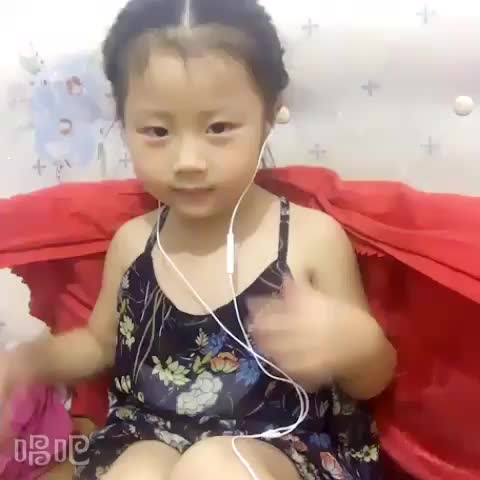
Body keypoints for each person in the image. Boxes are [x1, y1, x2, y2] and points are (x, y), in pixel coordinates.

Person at [0, 0, 397, 478]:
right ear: (123, 124)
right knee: (138, 469)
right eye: (157, 131)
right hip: (147, 435)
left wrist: (353, 341)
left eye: (219, 128)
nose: (188, 160)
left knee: (214, 466)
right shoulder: (134, 243)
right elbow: (99, 344)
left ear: (269, 116)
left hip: (278, 446)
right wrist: (32, 361)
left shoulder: (310, 239)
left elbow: (372, 381)